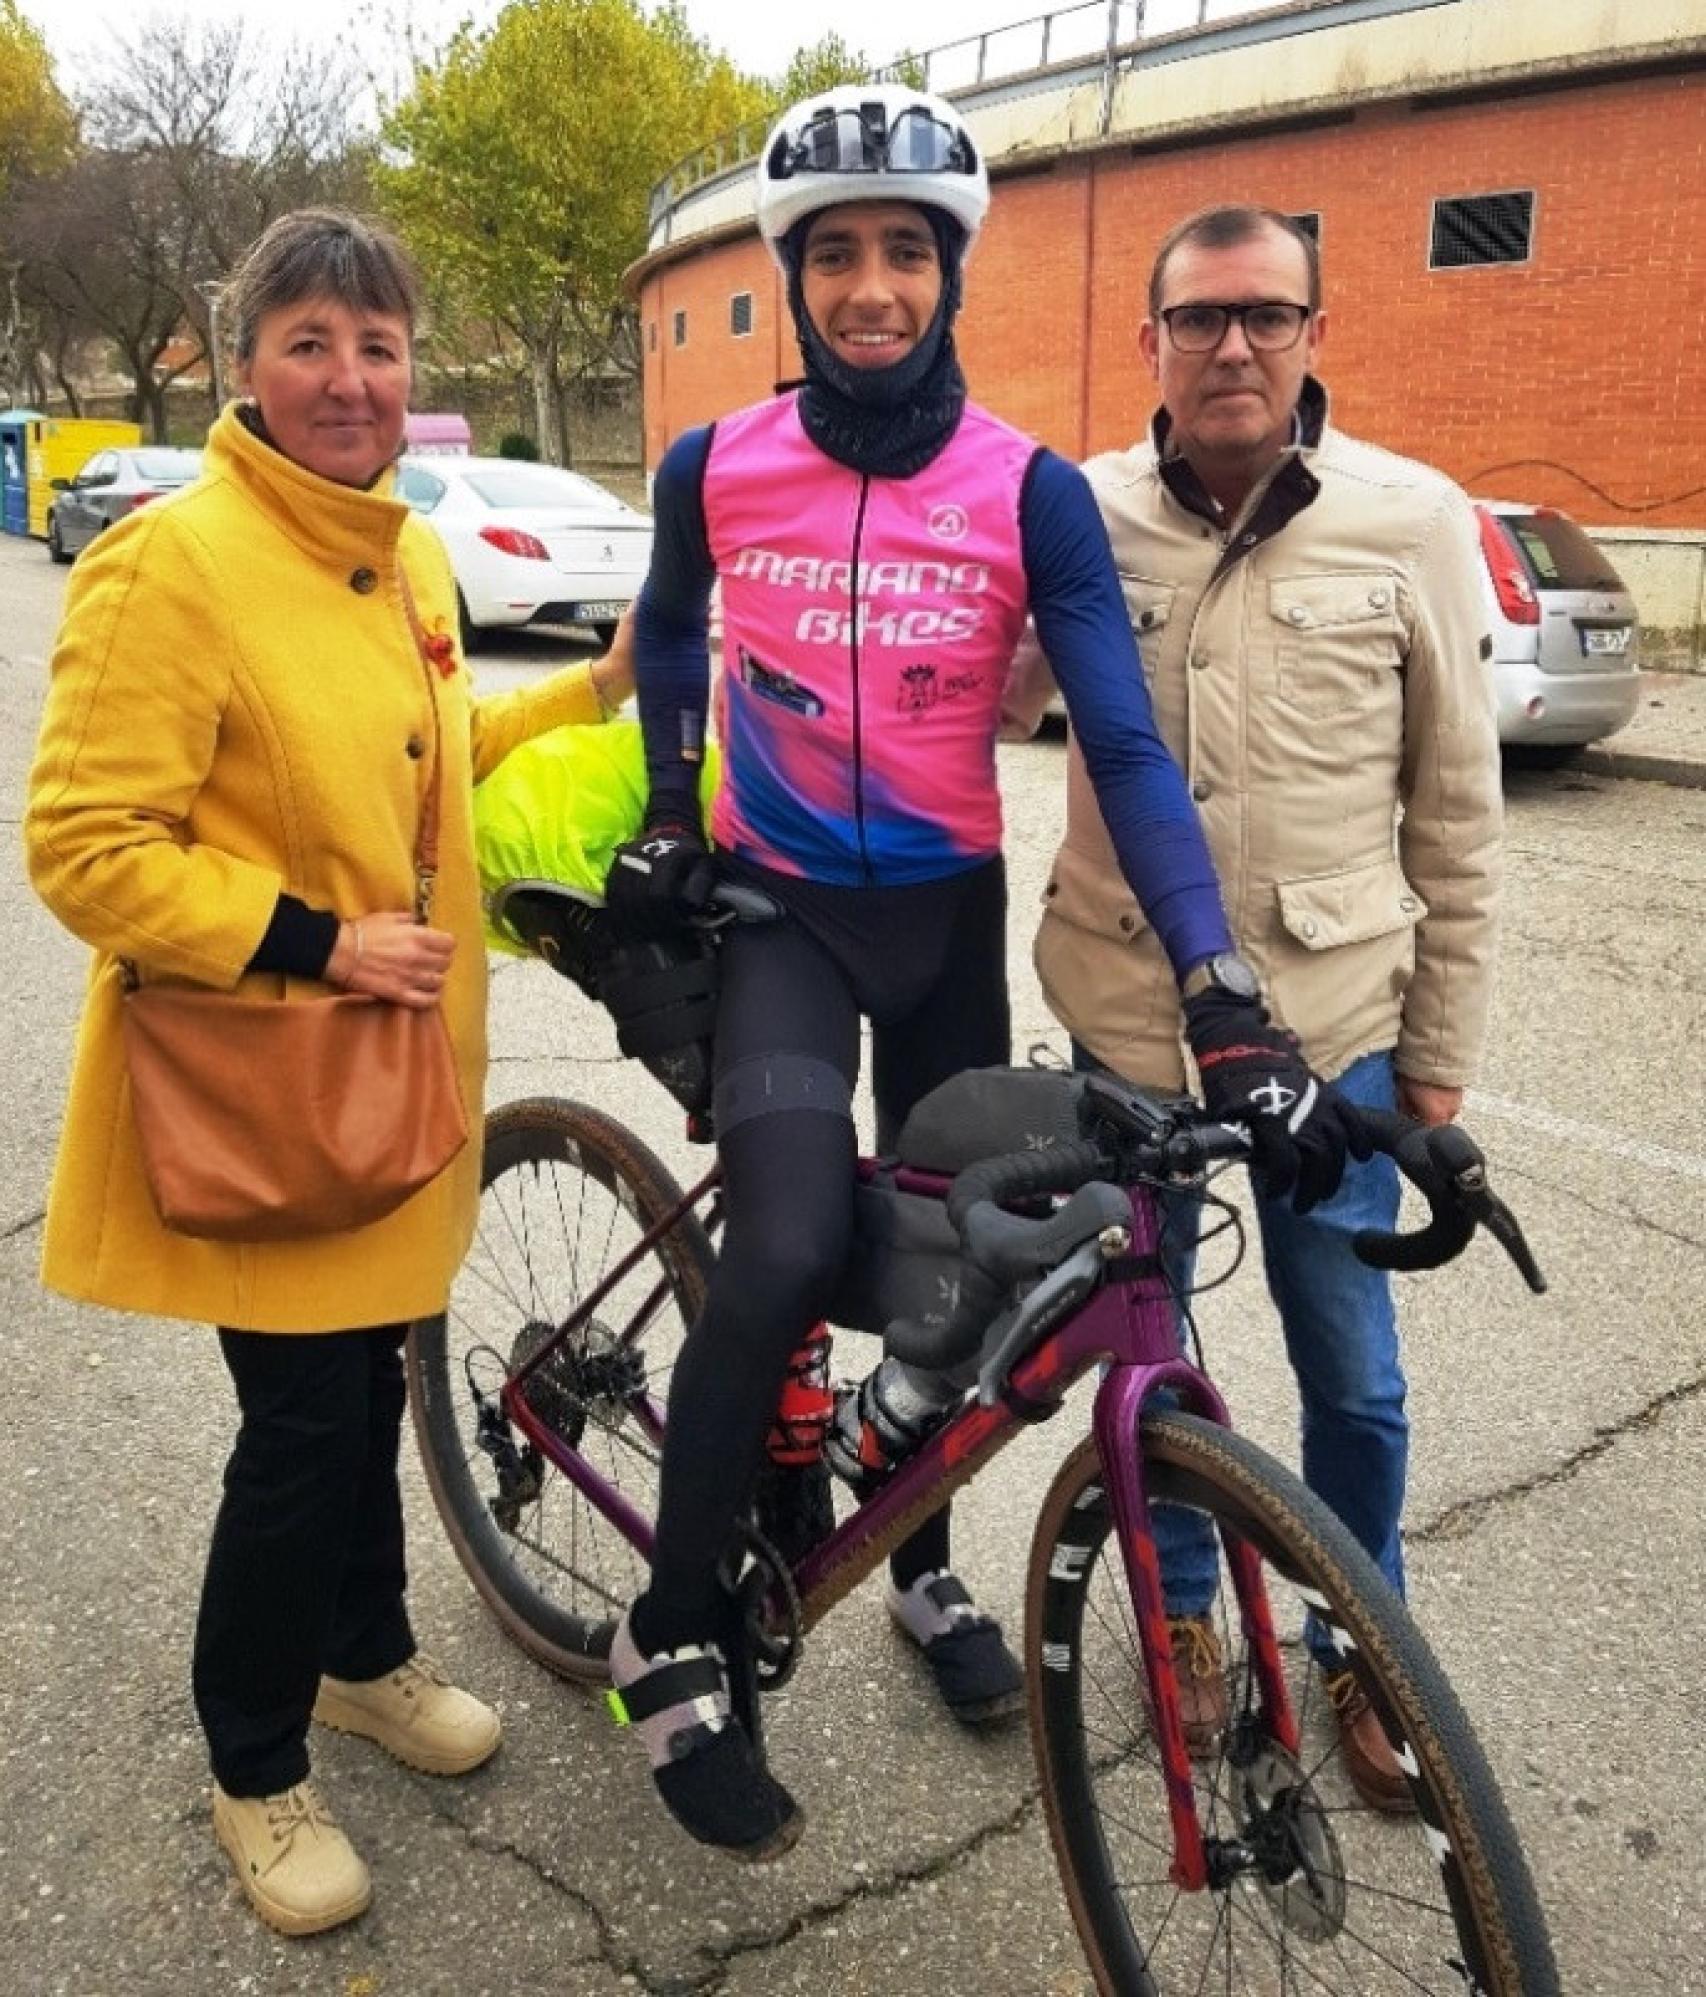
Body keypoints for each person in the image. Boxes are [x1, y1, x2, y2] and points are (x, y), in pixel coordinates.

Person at [601, 92, 1369, 1861]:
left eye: (904, 253)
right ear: (792, 278)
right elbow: (666, 638)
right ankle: (666, 1633)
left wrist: (1221, 990)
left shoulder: (1025, 490)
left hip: (940, 913)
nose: (871, 288)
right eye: (835, 256)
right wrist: (661, 811)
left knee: (949, 1282)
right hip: (782, 912)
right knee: (792, 1240)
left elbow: (1123, 741)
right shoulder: (713, 466)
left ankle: (919, 1583)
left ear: (951, 272)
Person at [24, 209, 634, 1936]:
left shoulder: (402, 553)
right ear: (244, 362)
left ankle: (362, 1656)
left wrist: (590, 688)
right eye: (309, 342)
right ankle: (253, 1761)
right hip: (274, 1097)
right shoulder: (176, 563)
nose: (349, 378)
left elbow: (421, 768)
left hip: (400, 1098)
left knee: (366, 1391)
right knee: (299, 1434)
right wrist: (317, 938)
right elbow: (83, 848)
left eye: (378, 347)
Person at [1004, 202, 1502, 1809]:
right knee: (1148, 1355)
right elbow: (988, 694)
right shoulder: (1071, 511)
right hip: (1124, 1013)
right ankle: (1189, 1618)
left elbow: (1456, 811)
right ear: (1147, 339)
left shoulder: (1411, 519)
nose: (1232, 345)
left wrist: (1434, 1064)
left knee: (1349, 1368)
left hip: (1332, 1024)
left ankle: (1363, 1646)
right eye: (1198, 318)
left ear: (1311, 335)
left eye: (1265, 317)